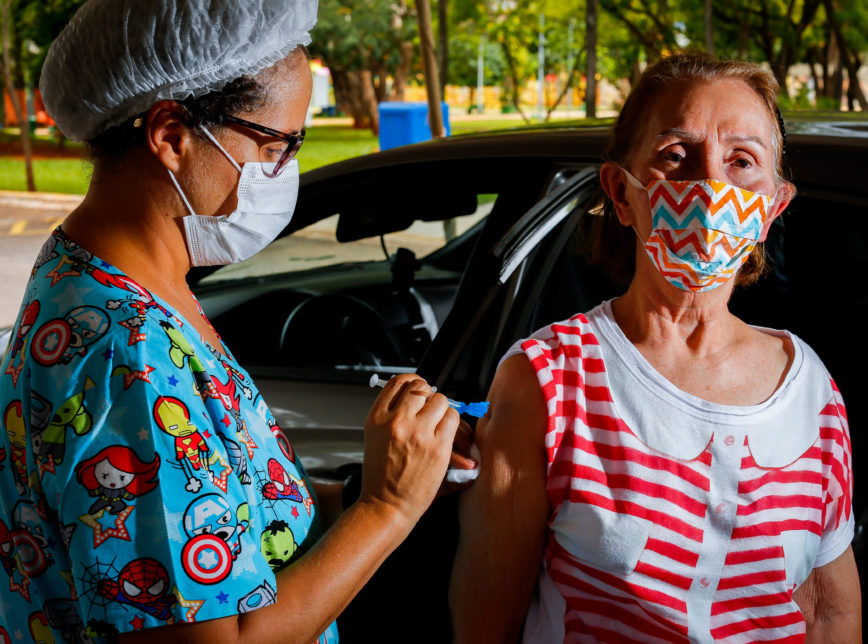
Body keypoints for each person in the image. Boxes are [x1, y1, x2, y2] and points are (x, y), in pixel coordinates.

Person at [0, 1, 470, 643]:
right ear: (171, 135)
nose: (286, 172)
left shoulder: (127, 282)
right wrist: (388, 509)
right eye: (277, 145)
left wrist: (378, 483)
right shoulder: (123, 351)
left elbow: (227, 519)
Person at [450, 54, 861, 642]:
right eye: (675, 156)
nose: (711, 186)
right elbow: (487, 626)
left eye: (741, 161)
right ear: (621, 192)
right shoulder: (547, 379)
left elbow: (830, 613)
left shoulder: (810, 390)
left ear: (772, 207)